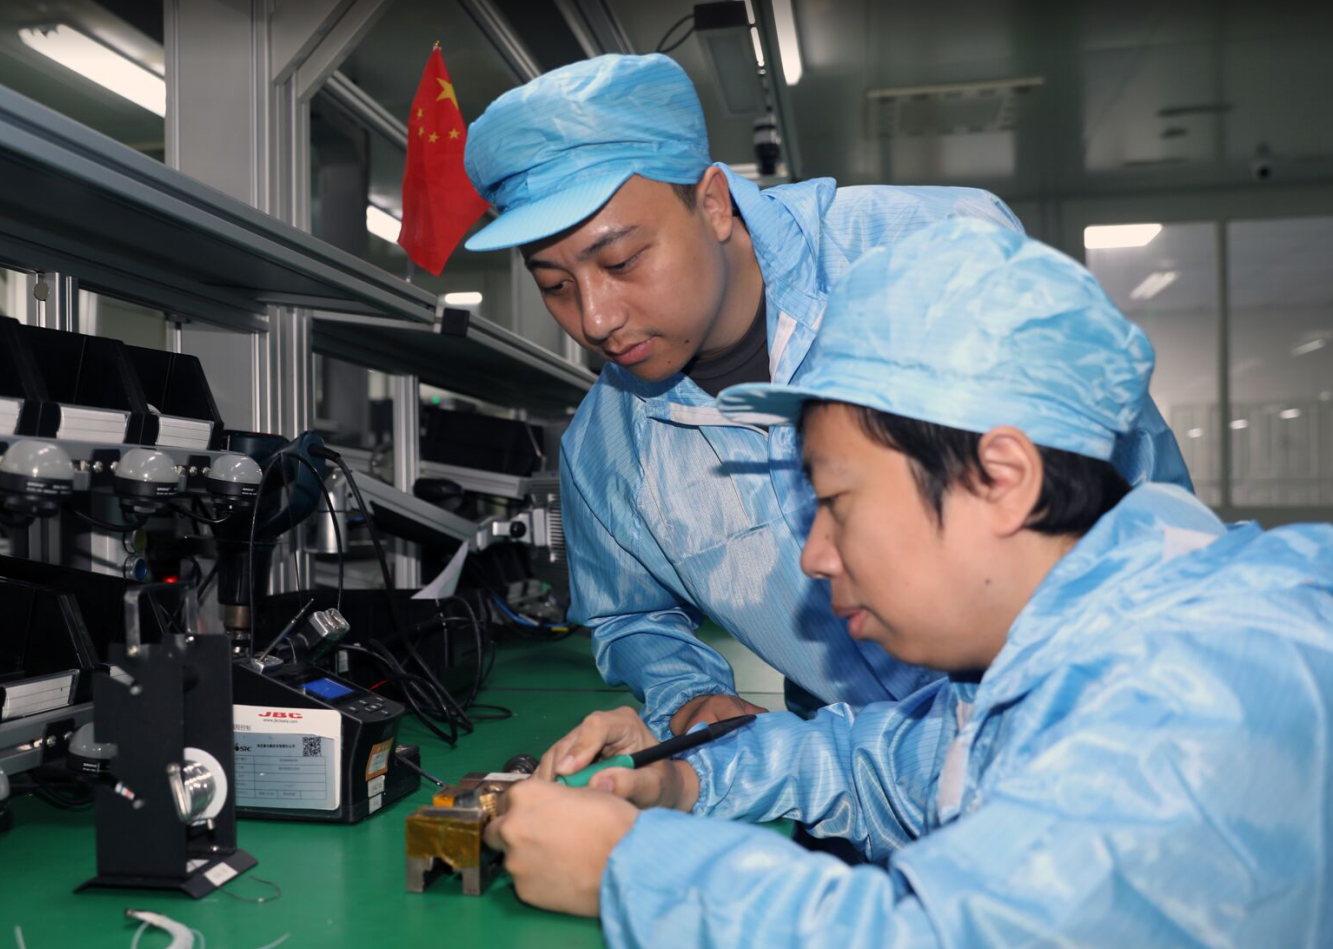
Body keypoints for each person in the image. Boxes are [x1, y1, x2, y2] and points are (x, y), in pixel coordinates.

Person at [483, 218, 1333, 948]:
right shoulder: (1057, 655)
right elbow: (874, 764)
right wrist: (687, 780)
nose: (815, 555)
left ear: (1002, 477)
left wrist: (630, 870)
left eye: (836, 502)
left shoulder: (1201, 688)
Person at [463, 53, 1193, 738]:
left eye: (622, 261)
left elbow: (1128, 480)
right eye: (555, 285)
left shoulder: (927, 247)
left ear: (712, 203)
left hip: (1089, 724)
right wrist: (687, 693)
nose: (594, 319)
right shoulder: (606, 451)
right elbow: (630, 615)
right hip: (848, 764)